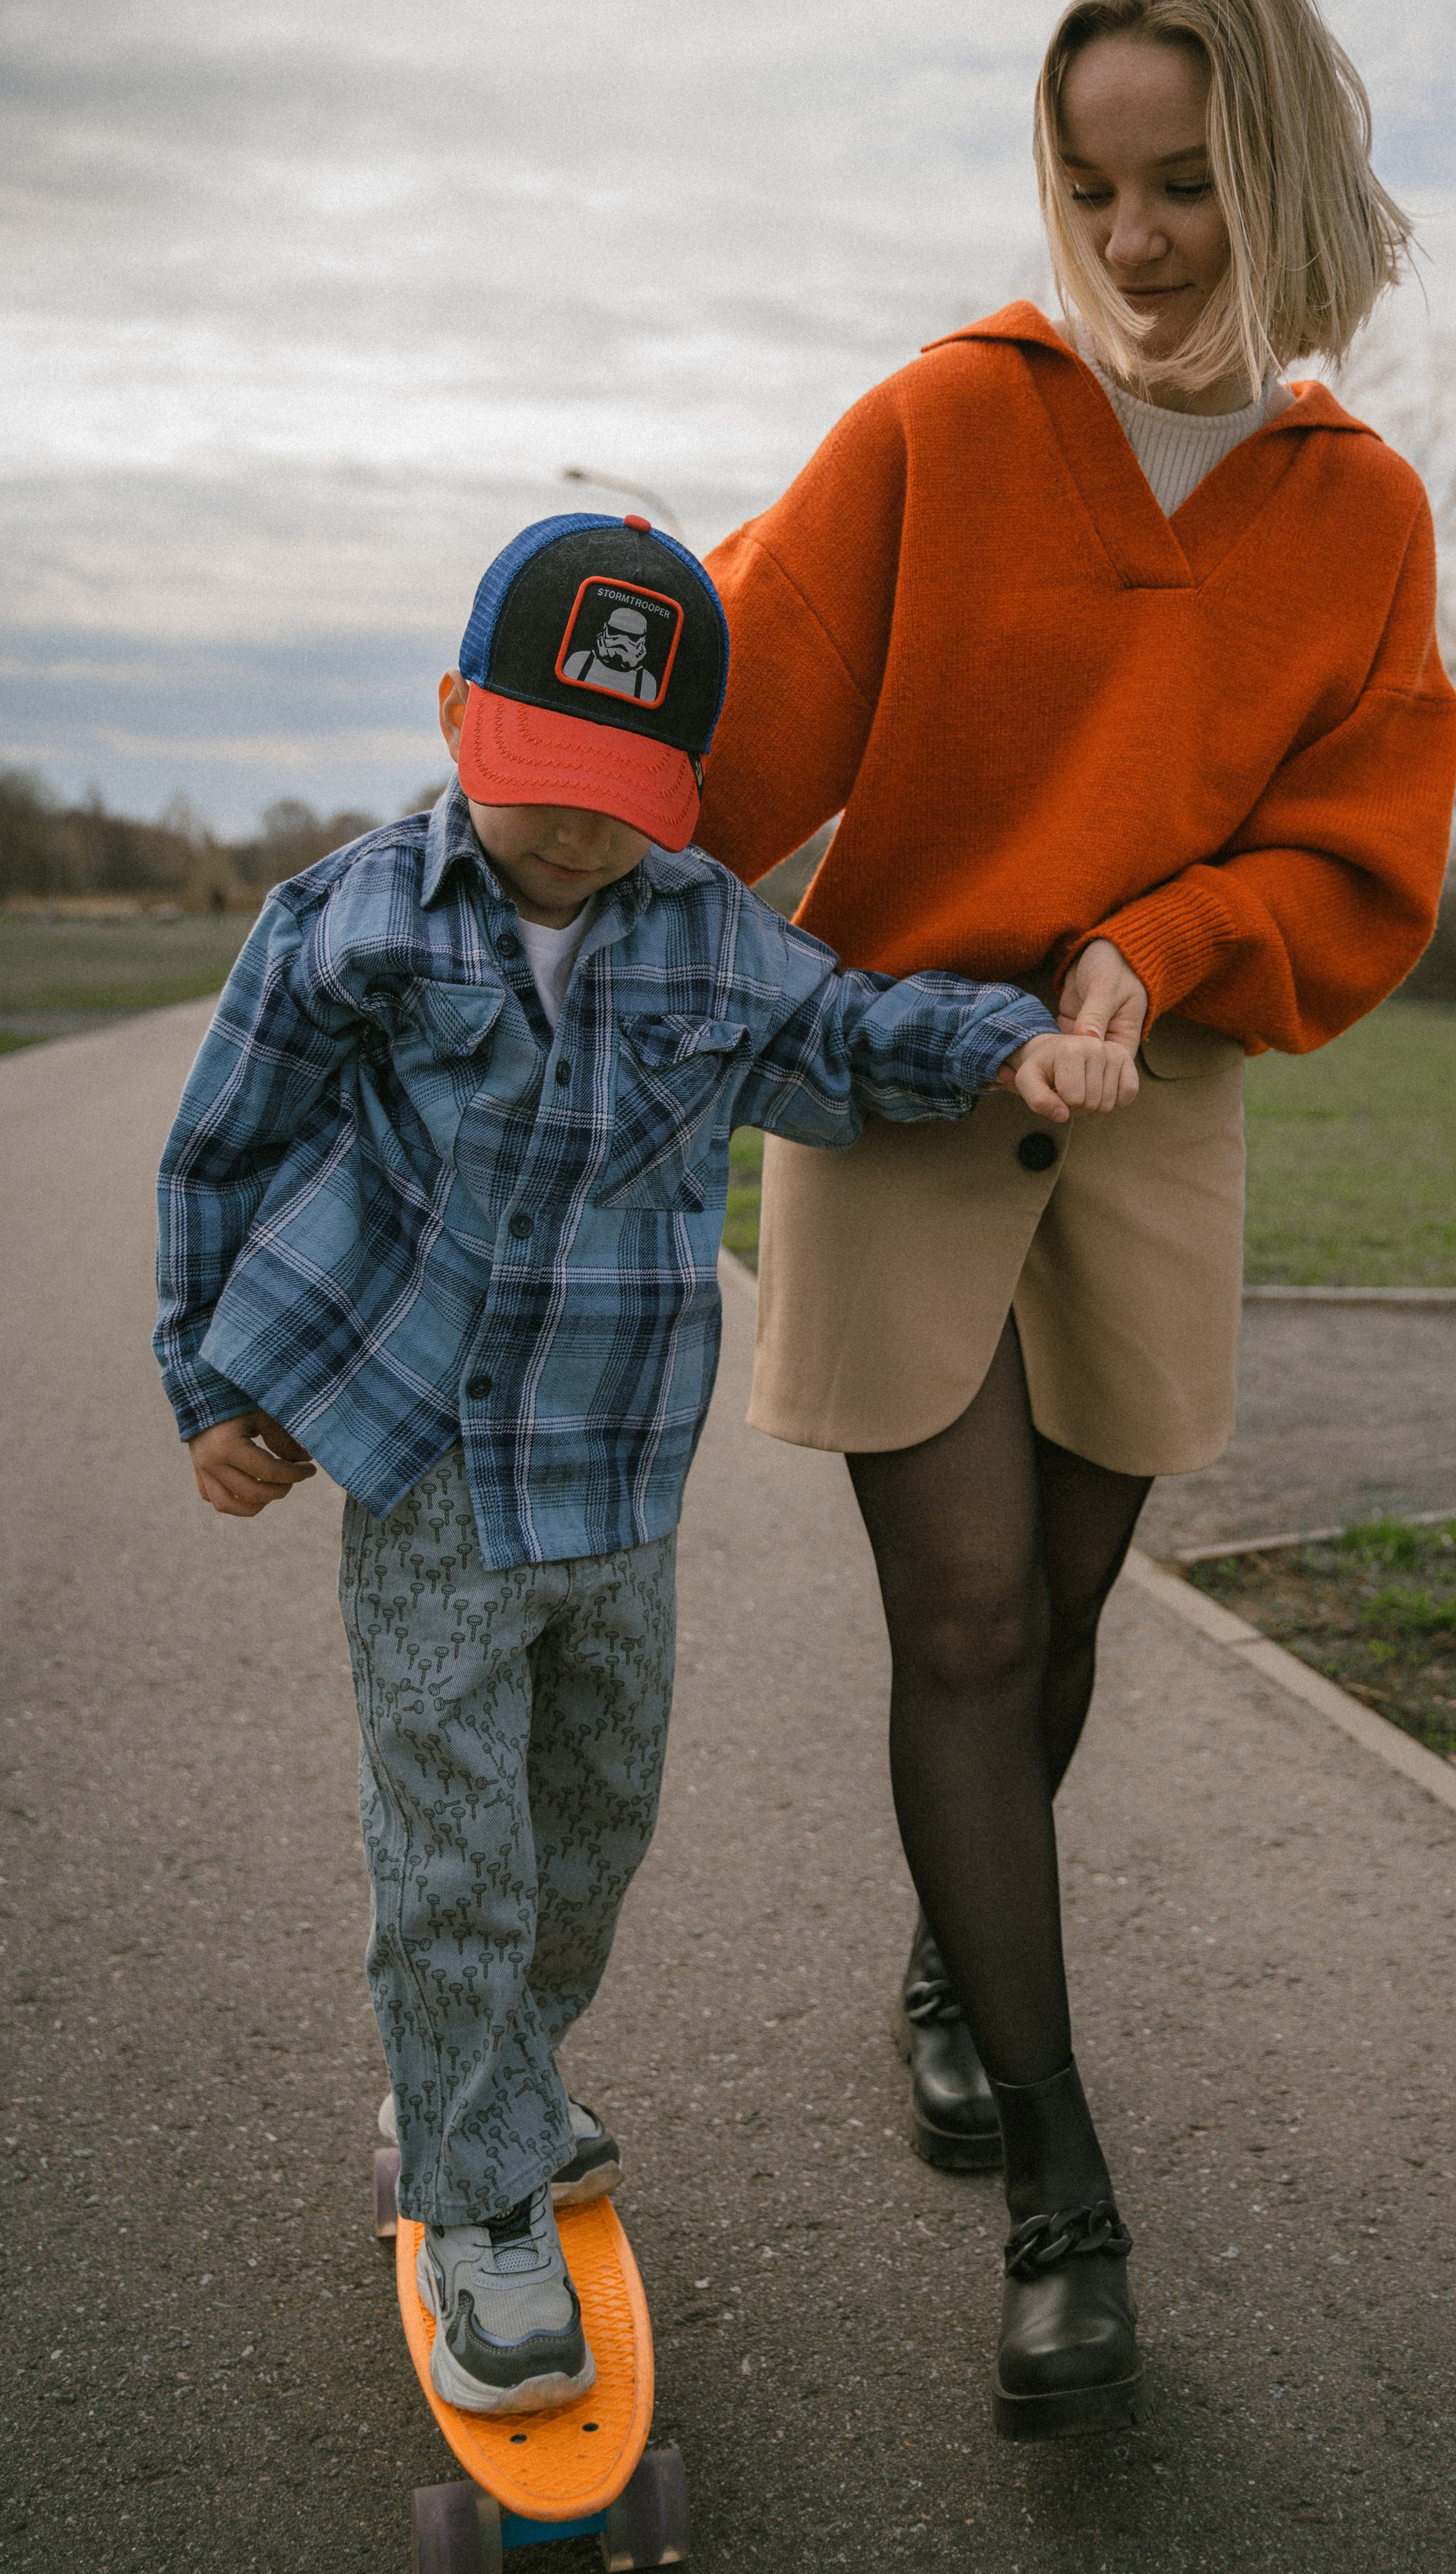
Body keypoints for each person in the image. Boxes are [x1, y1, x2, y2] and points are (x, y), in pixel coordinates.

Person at [694, 0, 1456, 2439]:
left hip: (1157, 1100)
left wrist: (1163, 937)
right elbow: (722, 726)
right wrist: (548, 705)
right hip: (907, 1095)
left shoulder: (1357, 506)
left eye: (1185, 185)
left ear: (1281, 172)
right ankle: (1064, 2189)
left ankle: (948, 1953)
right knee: (968, 1627)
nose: (1132, 240)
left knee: (1076, 1615)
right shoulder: (941, 419)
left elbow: (1363, 847)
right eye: (1095, 182)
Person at [153, 511, 1135, 2420]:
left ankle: (478, 2070)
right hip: (423, 1470)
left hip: (616, 1484)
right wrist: (211, 1390)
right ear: (457, 713)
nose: (574, 833)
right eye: (536, 780)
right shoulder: (345, 922)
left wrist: (1004, 1045)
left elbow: (846, 1037)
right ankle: (480, 2198)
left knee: (588, 1840)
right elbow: (219, 1147)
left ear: (683, 785)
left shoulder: (698, 930)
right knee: (456, 1853)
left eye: (621, 796)